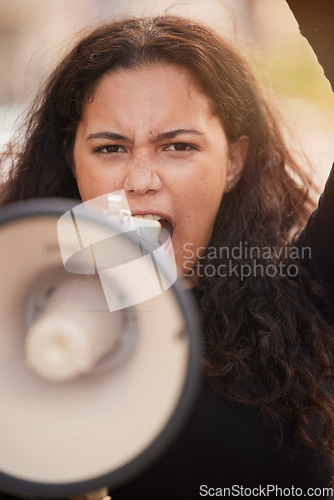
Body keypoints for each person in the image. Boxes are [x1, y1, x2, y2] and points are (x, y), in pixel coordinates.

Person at [1, 2, 334, 499]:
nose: (140, 180)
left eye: (178, 146)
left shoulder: (309, 293)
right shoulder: (18, 332)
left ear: (233, 163)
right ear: (72, 159)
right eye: (110, 148)